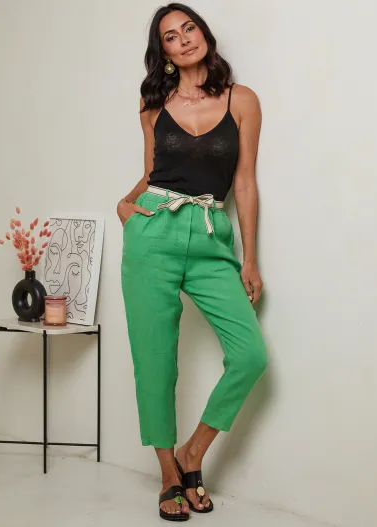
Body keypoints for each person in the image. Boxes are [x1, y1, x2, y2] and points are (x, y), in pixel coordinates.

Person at [117, 3, 268, 522]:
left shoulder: (242, 100)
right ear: (162, 52)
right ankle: (168, 475)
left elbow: (243, 182)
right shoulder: (152, 104)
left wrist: (250, 260)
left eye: (189, 28)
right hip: (153, 232)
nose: (183, 39)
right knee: (155, 360)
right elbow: (152, 172)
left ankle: (192, 454)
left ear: (204, 34)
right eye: (170, 36)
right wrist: (125, 204)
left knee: (250, 355)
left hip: (209, 235)